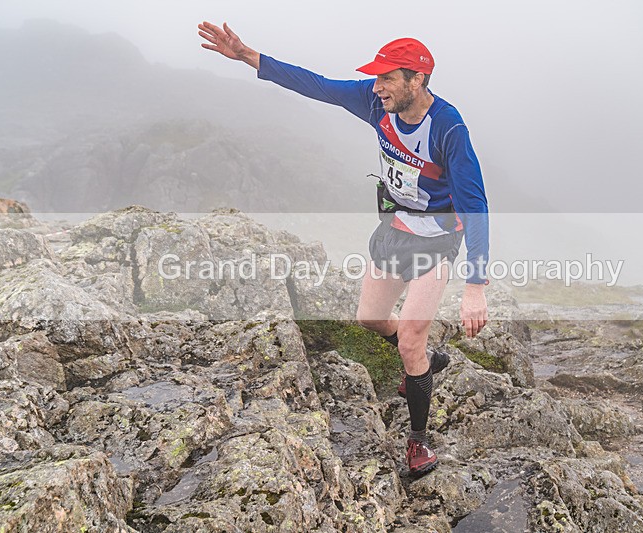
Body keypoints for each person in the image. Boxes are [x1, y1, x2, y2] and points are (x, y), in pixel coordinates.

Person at [199, 21, 489, 476]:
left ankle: (418, 441)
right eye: (376, 79)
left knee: (411, 336)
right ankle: (425, 362)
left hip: (437, 240)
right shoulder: (377, 105)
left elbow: (476, 205)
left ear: (418, 80)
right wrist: (249, 56)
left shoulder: (449, 130)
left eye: (388, 78)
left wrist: (476, 284)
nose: (377, 87)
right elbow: (317, 85)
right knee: (369, 318)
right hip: (394, 229)